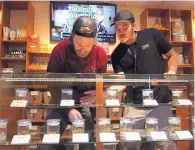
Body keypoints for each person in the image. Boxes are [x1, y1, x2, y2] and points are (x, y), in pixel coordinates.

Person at [110, 10, 178, 150]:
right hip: (134, 104)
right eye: (117, 28)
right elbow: (122, 81)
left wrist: (172, 71)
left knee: (164, 144)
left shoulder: (151, 35)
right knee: (129, 143)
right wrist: (103, 93)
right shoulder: (116, 54)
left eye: (124, 26)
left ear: (133, 26)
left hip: (160, 101)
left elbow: (172, 55)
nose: (120, 31)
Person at [39, 16, 107, 150]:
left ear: (94, 41)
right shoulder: (59, 50)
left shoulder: (100, 54)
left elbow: (101, 82)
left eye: (87, 45)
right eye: (79, 45)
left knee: (87, 144)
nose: (82, 49)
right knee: (47, 143)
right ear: (71, 38)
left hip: (83, 101)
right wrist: (68, 108)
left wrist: (97, 93)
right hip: (59, 99)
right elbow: (52, 84)